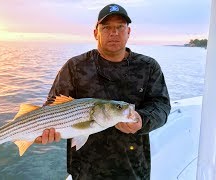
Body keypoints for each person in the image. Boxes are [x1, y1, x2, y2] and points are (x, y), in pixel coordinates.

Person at [35, 3, 171, 180]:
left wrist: (142, 120)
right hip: (84, 170)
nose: (113, 33)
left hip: (132, 169)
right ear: (95, 33)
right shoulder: (75, 66)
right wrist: (41, 131)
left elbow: (161, 105)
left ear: (128, 32)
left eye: (120, 27)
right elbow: (52, 107)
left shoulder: (148, 66)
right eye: (106, 27)